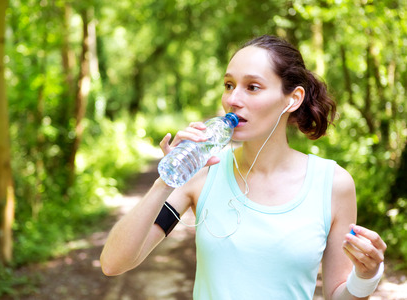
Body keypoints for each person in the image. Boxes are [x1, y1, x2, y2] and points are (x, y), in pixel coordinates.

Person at [100, 35, 387, 299]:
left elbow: (337, 295)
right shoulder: (203, 172)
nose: (233, 100)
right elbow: (114, 263)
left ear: (293, 99)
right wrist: (167, 178)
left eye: (252, 87)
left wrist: (365, 277)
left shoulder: (332, 183)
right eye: (229, 85)